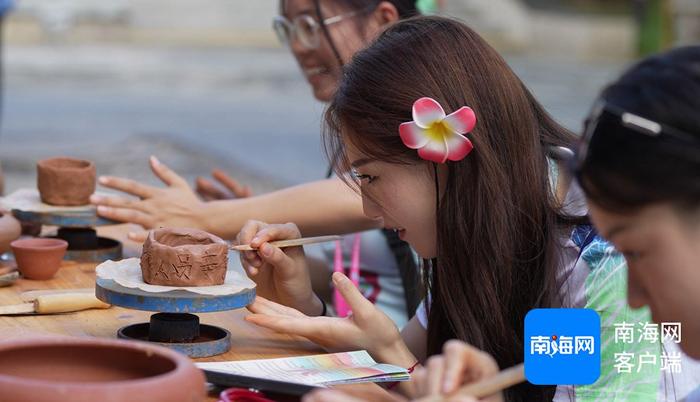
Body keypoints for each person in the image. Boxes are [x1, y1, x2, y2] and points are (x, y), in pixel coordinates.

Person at [234, 16, 672, 401]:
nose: (368, 210)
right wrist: (306, 304)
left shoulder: (601, 259)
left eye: (369, 176)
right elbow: (407, 364)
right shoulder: (487, 223)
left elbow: (408, 367)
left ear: (445, 155)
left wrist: (395, 358)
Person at [90, 0, 423, 327]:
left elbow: (357, 199)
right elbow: (357, 272)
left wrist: (204, 217)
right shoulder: (359, 138)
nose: (297, 46)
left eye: (308, 26)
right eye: (287, 29)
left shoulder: (420, 123)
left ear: (382, 19)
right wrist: (271, 253)